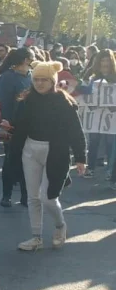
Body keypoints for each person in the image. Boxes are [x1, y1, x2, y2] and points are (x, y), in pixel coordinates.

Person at [7, 61, 86, 251]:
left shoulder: (63, 102)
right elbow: (19, 126)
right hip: (30, 150)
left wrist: (80, 158)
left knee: (48, 198)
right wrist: (8, 128)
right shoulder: (27, 100)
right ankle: (36, 237)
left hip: (55, 152)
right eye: (36, 79)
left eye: (44, 80)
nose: (40, 83)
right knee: (33, 197)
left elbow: (76, 131)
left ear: (53, 81)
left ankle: (60, 226)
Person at [0, 47, 35, 207]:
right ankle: (7, 195)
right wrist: (5, 124)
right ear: (25, 60)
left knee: (29, 161)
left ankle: (26, 195)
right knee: (11, 159)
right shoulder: (8, 77)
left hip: (30, 125)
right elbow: (3, 102)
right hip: (12, 124)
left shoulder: (32, 77)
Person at [84, 49, 116, 178]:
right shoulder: (93, 77)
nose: (105, 63)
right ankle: (90, 167)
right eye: (102, 60)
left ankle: (110, 171)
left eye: (107, 60)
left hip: (112, 115)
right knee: (94, 141)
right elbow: (86, 94)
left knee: (110, 143)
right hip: (95, 115)